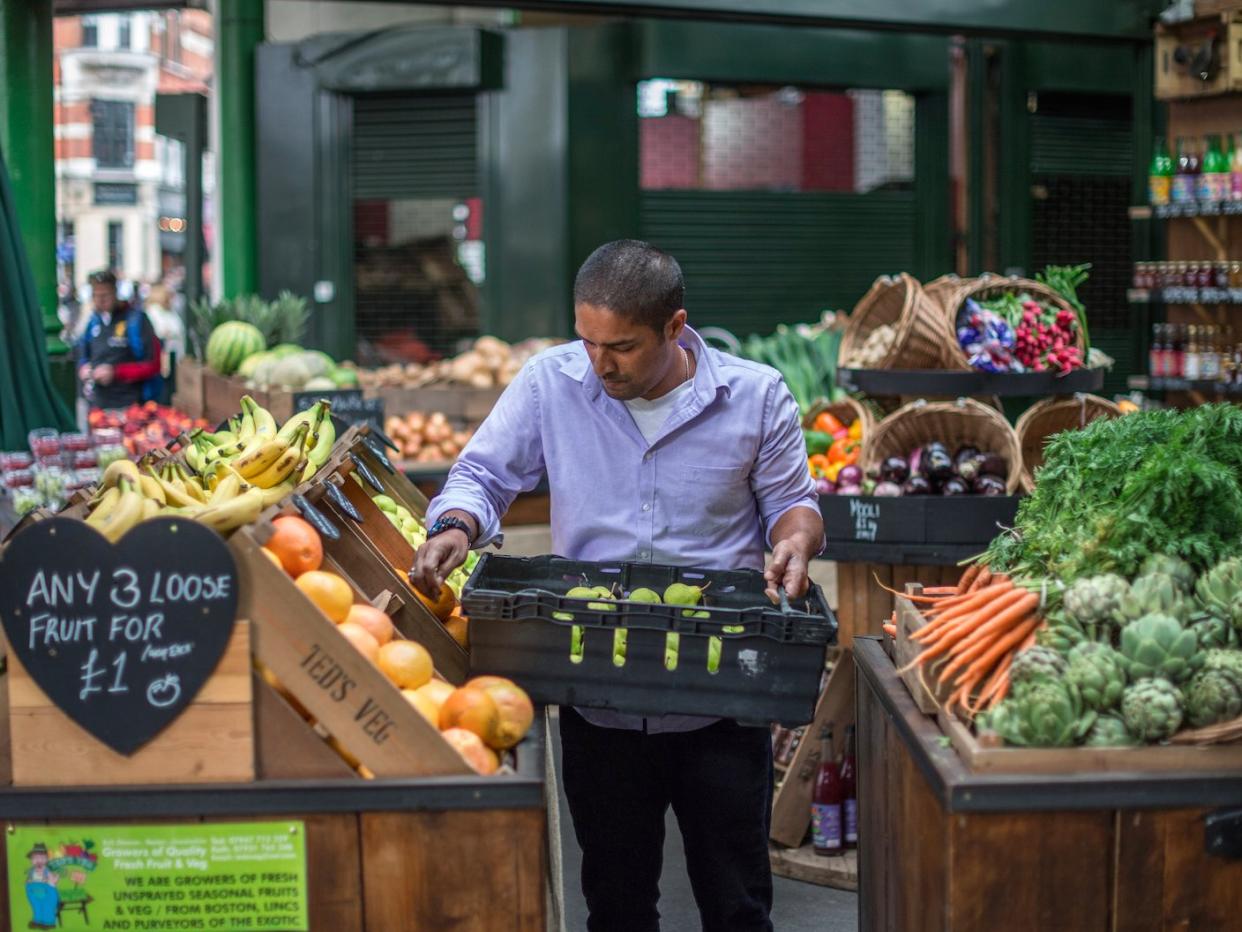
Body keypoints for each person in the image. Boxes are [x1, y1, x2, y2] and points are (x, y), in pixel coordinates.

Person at [411, 240, 824, 932]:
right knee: (617, 905)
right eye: (588, 341)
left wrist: (794, 540)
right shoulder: (552, 383)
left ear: (674, 326)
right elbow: (483, 475)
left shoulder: (754, 397)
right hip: (597, 695)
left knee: (739, 906)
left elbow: (794, 502)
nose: (600, 363)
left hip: (719, 697)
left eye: (622, 347)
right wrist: (455, 524)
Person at [75, 269, 163, 410]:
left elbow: (153, 365)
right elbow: (83, 353)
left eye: (105, 295)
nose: (100, 300)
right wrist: (84, 367)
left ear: (115, 292)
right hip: (97, 406)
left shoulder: (136, 320)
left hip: (131, 407)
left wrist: (116, 372)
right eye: (96, 295)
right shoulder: (93, 321)